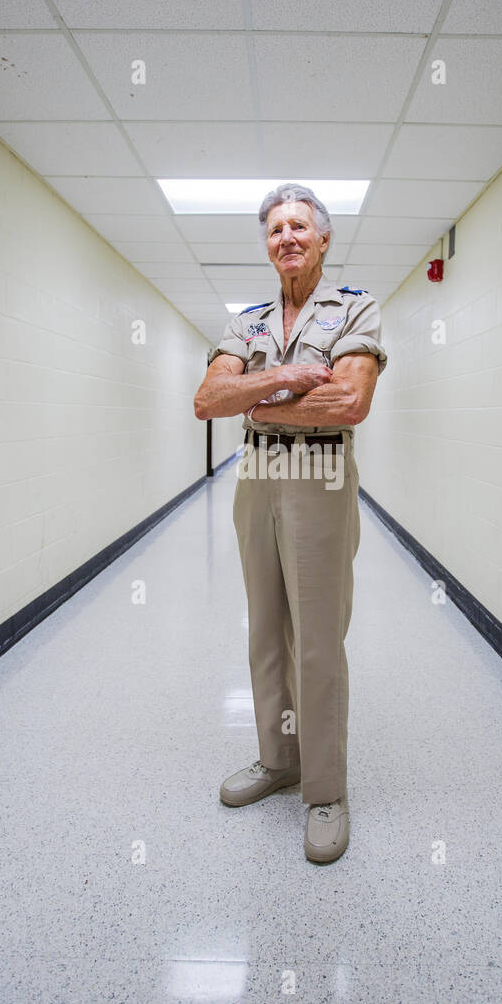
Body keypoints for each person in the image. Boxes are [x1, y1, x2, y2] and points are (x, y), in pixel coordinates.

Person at [193, 184, 387, 862]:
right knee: (266, 629)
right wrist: (299, 378)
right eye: (275, 228)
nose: (287, 237)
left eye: (299, 225)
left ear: (324, 238)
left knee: (316, 636)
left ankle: (327, 788)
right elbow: (208, 398)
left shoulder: (355, 307)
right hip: (258, 479)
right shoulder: (245, 322)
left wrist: (258, 400)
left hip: (321, 478)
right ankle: (279, 759)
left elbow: (349, 403)